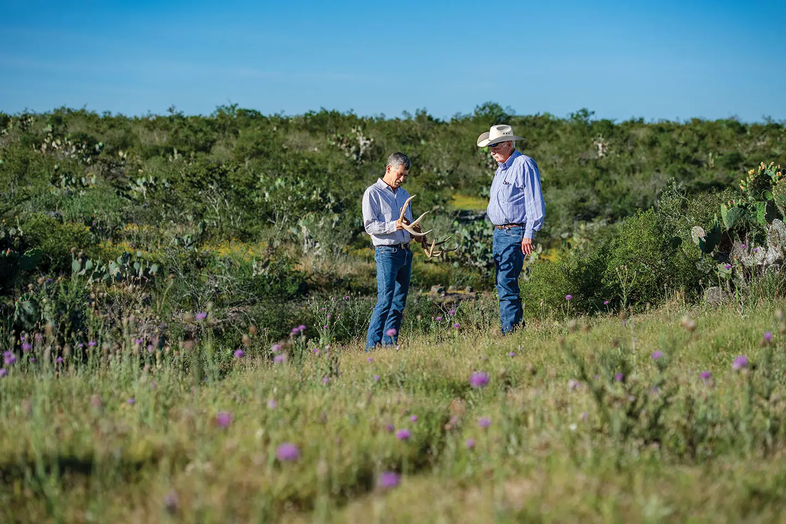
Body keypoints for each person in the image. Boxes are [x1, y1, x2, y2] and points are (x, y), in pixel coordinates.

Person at [477, 124, 545, 334]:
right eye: (491, 146)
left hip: (515, 232)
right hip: (500, 233)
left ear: (509, 144)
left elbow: (534, 201)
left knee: (506, 281)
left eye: (496, 145)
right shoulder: (501, 169)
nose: (492, 151)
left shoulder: (523, 164)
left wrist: (528, 234)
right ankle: (512, 327)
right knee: (503, 281)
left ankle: (511, 331)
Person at [362, 152, 419, 350]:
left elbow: (408, 223)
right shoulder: (373, 193)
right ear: (389, 169)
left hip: (405, 252)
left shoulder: (404, 194)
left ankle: (389, 344)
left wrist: (419, 235)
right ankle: (371, 347)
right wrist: (394, 225)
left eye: (405, 176)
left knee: (398, 303)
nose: (402, 179)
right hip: (386, 252)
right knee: (385, 301)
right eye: (400, 174)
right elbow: (370, 226)